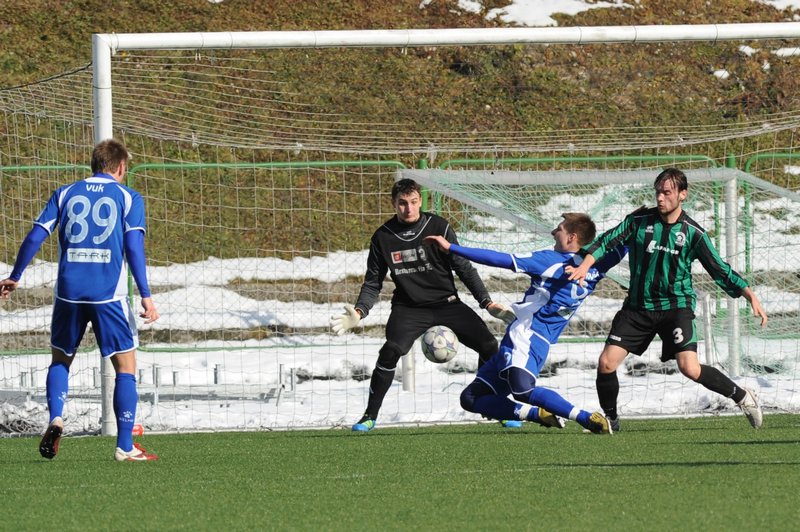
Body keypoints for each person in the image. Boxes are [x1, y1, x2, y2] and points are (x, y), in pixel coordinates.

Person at [567, 168, 768, 432]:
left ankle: (742, 396)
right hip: (638, 307)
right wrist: (585, 265)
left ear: (683, 194)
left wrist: (748, 293)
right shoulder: (638, 221)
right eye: (658, 192)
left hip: (676, 307)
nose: (660, 198)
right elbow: (606, 241)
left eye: (667, 192)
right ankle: (611, 419)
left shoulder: (693, 233)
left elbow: (719, 269)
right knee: (606, 363)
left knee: (690, 368)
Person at [0, 139, 160, 461]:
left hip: (68, 294)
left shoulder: (65, 193)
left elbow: (35, 235)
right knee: (125, 368)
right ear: (121, 167)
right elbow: (133, 247)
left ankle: (56, 417)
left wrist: (15, 275)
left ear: (94, 164)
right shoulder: (129, 197)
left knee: (61, 360)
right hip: (108, 296)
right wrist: (146, 295)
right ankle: (125, 446)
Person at [331, 178, 516, 432]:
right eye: (402, 203)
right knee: (390, 350)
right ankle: (369, 416)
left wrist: (487, 302)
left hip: (447, 303)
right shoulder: (383, 237)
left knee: (489, 346)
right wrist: (360, 311)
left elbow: (463, 267)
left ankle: (493, 406)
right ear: (393, 204)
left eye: (413, 202)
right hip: (409, 308)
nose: (408, 208)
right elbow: (373, 282)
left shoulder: (438, 227)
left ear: (420, 201)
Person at [426, 213, 625, 434]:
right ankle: (537, 414)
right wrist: (639, 221)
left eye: (559, 229)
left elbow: (499, 259)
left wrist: (452, 248)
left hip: (526, 334)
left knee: (522, 390)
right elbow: (624, 238)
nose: (553, 232)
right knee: (471, 398)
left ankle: (586, 418)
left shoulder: (550, 261)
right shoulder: (597, 266)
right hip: (538, 339)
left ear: (572, 237)